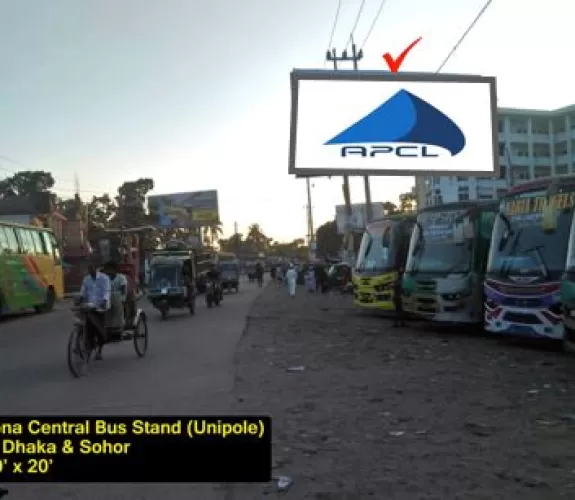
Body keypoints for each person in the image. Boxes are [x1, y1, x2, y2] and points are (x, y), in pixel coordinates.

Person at [78, 261, 111, 360]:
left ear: (96, 268)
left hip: (101, 307)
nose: (90, 270)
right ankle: (87, 343)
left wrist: (104, 301)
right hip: (89, 306)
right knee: (86, 323)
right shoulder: (86, 279)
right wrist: (80, 298)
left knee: (98, 328)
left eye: (92, 267)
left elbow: (106, 291)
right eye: (88, 268)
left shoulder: (104, 278)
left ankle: (99, 350)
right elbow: (83, 291)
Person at [103, 261, 128, 333]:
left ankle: (119, 326)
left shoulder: (121, 277)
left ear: (114, 269)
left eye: (109, 269)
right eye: (106, 269)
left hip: (119, 298)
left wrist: (122, 299)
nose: (107, 271)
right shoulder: (105, 278)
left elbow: (123, 290)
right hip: (108, 299)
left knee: (117, 310)